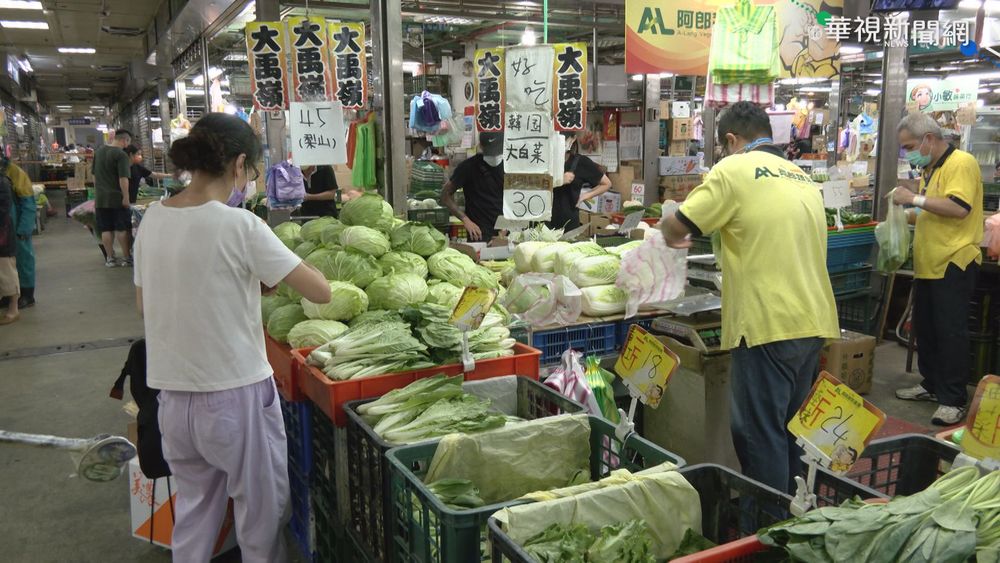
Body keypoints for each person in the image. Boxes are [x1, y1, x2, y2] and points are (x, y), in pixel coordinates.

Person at [133, 112, 330, 562]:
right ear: (239, 164)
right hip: (234, 397)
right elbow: (320, 290)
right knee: (260, 516)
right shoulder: (240, 225)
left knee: (196, 510)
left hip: (173, 400)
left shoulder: (153, 220)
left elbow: (146, 305)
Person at [660, 101, 840, 494]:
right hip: (814, 318)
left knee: (759, 436)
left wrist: (668, 229)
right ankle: (797, 514)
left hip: (768, 321)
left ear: (730, 139)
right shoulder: (801, 176)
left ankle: (765, 533)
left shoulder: (734, 168)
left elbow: (678, 224)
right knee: (792, 430)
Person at [891, 113, 983, 426]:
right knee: (927, 331)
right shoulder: (932, 168)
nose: (908, 153)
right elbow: (933, 209)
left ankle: (953, 399)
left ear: (929, 139)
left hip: (953, 261)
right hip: (929, 263)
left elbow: (959, 208)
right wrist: (905, 216)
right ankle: (931, 385)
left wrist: (913, 197)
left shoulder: (961, 162)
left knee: (950, 333)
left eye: (910, 146)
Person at [441, 132, 504, 242]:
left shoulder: (510, 167)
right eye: (490, 152)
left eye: (496, 151)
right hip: (478, 233)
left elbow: (517, 199)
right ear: (480, 146)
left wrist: (509, 226)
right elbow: (445, 195)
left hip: (505, 232)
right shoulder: (468, 167)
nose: (493, 155)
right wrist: (465, 220)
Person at [548, 135, 612, 231]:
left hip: (569, 225)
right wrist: (558, 180)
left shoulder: (580, 162)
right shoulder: (543, 159)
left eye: (563, 137)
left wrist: (585, 196)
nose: (559, 140)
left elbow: (606, 183)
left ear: (573, 139)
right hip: (542, 223)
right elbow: (529, 184)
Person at [93, 129, 133, 267]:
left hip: (101, 198)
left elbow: (94, 176)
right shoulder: (121, 155)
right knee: (122, 229)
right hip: (116, 198)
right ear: (124, 140)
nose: (127, 146)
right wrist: (126, 197)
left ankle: (110, 258)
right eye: (127, 143)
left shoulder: (98, 152)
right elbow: (123, 178)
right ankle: (126, 258)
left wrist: (97, 193)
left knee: (106, 229)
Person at [3, 158, 36, 308]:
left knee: (23, 260)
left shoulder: (15, 172)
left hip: (16, 226)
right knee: (4, 264)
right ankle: (7, 295)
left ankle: (27, 295)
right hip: (2, 226)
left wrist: (24, 228)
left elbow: (28, 202)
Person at [0, 166, 19, 324]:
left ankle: (14, 309)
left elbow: (3, 210)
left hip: (2, 236)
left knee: (6, 272)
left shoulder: (3, 182)